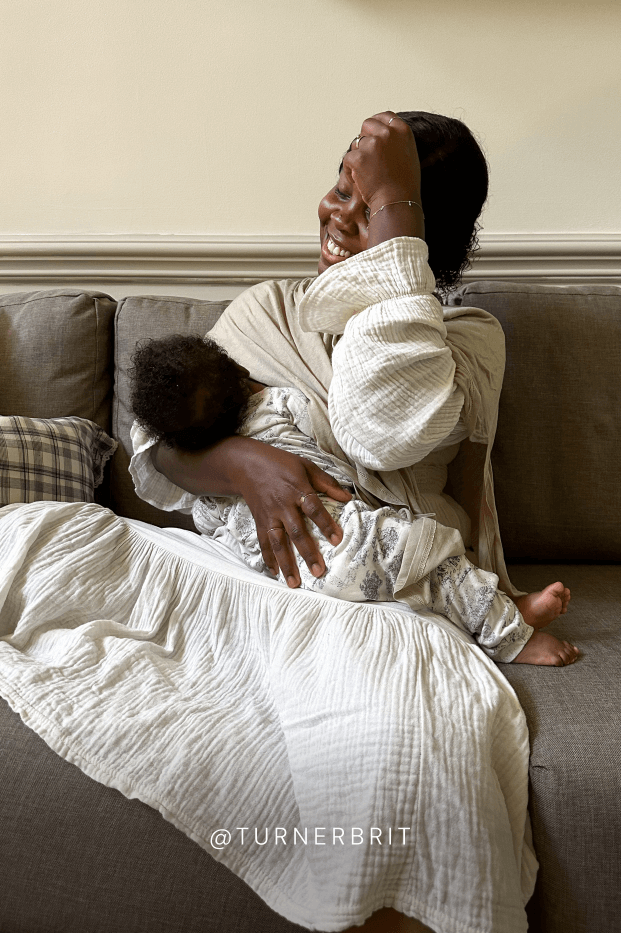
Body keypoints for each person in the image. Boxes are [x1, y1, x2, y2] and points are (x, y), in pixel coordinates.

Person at [128, 109, 572, 932]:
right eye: (340, 185)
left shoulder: (464, 340)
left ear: (417, 233)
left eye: (370, 204)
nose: (339, 211)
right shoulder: (266, 310)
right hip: (256, 575)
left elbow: (379, 424)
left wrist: (392, 228)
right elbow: (155, 452)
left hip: (388, 589)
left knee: (395, 746)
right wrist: (240, 465)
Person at [129, 332, 574, 665]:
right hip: (346, 535)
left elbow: (207, 518)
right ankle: (511, 635)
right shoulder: (280, 402)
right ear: (241, 377)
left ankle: (495, 614)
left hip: (295, 573)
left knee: (420, 578)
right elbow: (332, 447)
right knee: (432, 561)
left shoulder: (206, 491)